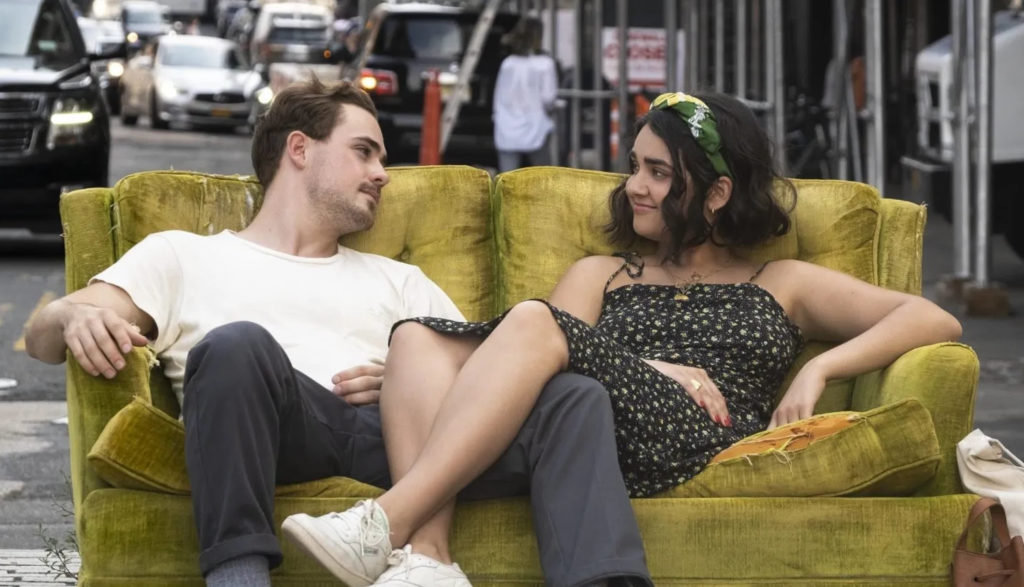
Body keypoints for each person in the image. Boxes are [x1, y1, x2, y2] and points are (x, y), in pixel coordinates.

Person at [283, 92, 964, 585]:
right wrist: (657, 367)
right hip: (602, 436)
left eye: (659, 173)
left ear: (717, 193)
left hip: (702, 437)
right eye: (635, 165)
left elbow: (932, 320)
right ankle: (428, 564)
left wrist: (820, 370)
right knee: (414, 339)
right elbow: (538, 379)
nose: (635, 185)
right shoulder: (601, 273)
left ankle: (383, 523)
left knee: (531, 319)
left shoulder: (780, 281)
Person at [24, 77, 648, 587]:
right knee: (237, 345)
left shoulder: (399, 279)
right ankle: (238, 579)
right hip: (277, 424)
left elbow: (492, 380)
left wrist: (412, 379)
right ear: (299, 149)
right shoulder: (182, 255)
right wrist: (73, 314)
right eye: (365, 152)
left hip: (407, 444)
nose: (383, 173)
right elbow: (47, 334)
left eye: (382, 158)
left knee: (574, 398)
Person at [492, 17, 559, 172]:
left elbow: (499, 97)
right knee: (543, 177)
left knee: (506, 180)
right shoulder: (545, 64)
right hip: (535, 127)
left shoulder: (508, 63)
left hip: (506, 127)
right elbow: (548, 98)